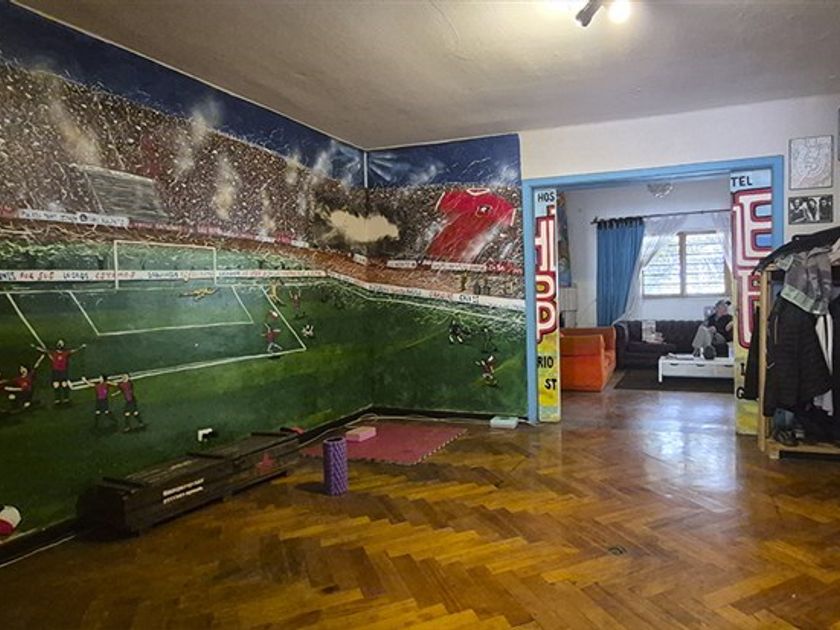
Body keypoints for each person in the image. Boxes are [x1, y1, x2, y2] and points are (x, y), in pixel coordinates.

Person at [33, 339, 86, 405]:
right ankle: (57, 400)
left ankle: (66, 399)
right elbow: (44, 350)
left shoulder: (65, 353)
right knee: (56, 385)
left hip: (63, 371)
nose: (60, 344)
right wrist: (35, 347)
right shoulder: (55, 352)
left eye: (61, 343)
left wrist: (81, 347)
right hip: (56, 371)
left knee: (64, 384)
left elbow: (73, 350)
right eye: (59, 343)